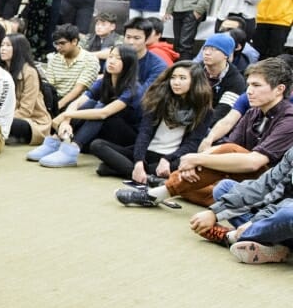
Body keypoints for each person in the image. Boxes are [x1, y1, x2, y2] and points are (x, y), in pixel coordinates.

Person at [116, 57, 293, 207]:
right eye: (248, 85)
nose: (249, 91)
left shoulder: (289, 119)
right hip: (248, 182)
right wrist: (193, 162)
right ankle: (171, 185)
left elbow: (254, 161)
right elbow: (224, 146)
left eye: (256, 85)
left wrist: (197, 158)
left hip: (276, 185)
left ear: (279, 89)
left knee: (226, 156)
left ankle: (156, 194)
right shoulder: (253, 112)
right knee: (197, 188)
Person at [90, 61, 213, 181]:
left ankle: (122, 169)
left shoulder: (204, 110)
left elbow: (192, 144)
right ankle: (144, 175)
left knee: (181, 165)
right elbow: (145, 132)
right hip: (147, 151)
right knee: (97, 145)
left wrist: (167, 159)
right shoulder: (158, 100)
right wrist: (139, 161)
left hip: (171, 158)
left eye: (182, 78)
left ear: (195, 81)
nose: (176, 82)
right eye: (173, 77)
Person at [33, 44, 144, 167]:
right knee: (90, 103)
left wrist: (65, 114)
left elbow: (104, 113)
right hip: (105, 130)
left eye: (118, 58)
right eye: (110, 56)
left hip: (128, 137)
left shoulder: (134, 89)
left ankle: (73, 149)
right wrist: (66, 121)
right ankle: (55, 140)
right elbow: (78, 102)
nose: (112, 61)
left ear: (128, 63)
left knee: (100, 108)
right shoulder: (103, 81)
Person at [190, 145, 293, 264]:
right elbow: (265, 186)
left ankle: (230, 236)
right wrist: (214, 212)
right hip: (280, 214)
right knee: (224, 188)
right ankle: (270, 242)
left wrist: (256, 221)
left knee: (289, 214)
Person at [1, 33, 51, 146]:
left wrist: (0, 118)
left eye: (8, 45)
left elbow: (26, 111)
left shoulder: (29, 72)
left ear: (18, 49)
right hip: (9, 115)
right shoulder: (3, 70)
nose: (3, 49)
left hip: (33, 121)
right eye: (2, 45)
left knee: (8, 123)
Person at [39, 23, 100, 112]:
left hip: (77, 103)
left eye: (62, 43)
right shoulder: (55, 59)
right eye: (56, 44)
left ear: (74, 41)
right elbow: (49, 86)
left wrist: (56, 108)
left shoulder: (90, 60)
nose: (58, 47)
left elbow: (79, 89)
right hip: (55, 100)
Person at [198, 32, 247, 124]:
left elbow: (224, 110)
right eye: (205, 48)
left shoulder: (236, 81)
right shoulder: (192, 71)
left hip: (212, 125)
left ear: (226, 55)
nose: (207, 53)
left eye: (214, 49)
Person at [120, 17, 168, 88]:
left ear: (147, 39)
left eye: (136, 38)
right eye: (128, 37)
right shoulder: (117, 58)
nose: (131, 42)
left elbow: (147, 91)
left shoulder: (158, 65)